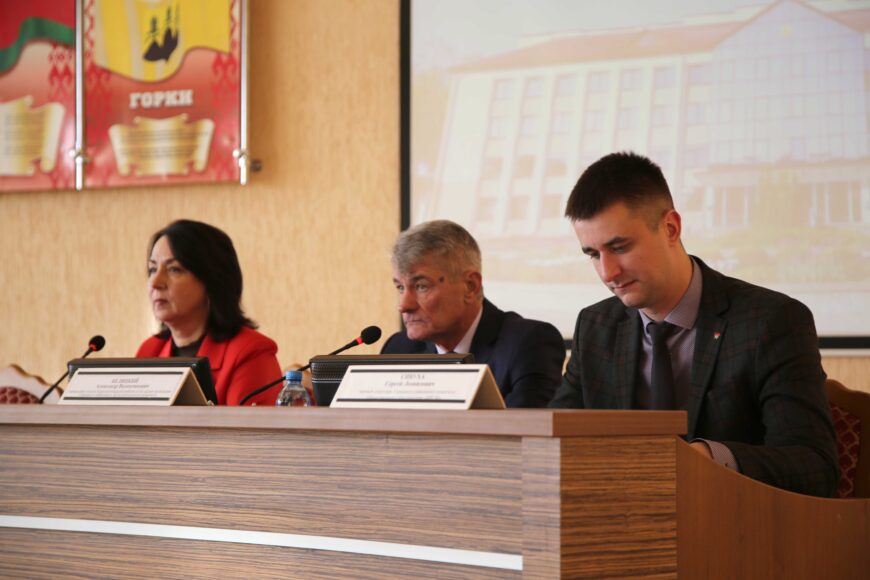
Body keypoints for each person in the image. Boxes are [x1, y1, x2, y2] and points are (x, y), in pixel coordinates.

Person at [549, 152, 838, 497]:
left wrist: (707, 459)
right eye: (594, 255)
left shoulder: (772, 321)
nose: (607, 272)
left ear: (671, 228)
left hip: (733, 521)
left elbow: (814, 467)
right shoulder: (595, 326)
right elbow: (552, 441)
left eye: (620, 247)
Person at [381, 219, 564, 408]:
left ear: (470, 286)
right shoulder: (399, 349)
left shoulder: (527, 344)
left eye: (421, 286)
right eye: (400, 287)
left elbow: (523, 425)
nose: (404, 306)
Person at [136, 219, 282, 406]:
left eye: (174, 269)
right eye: (152, 269)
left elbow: (248, 427)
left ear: (212, 280)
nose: (155, 283)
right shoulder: (149, 351)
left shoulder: (250, 353)